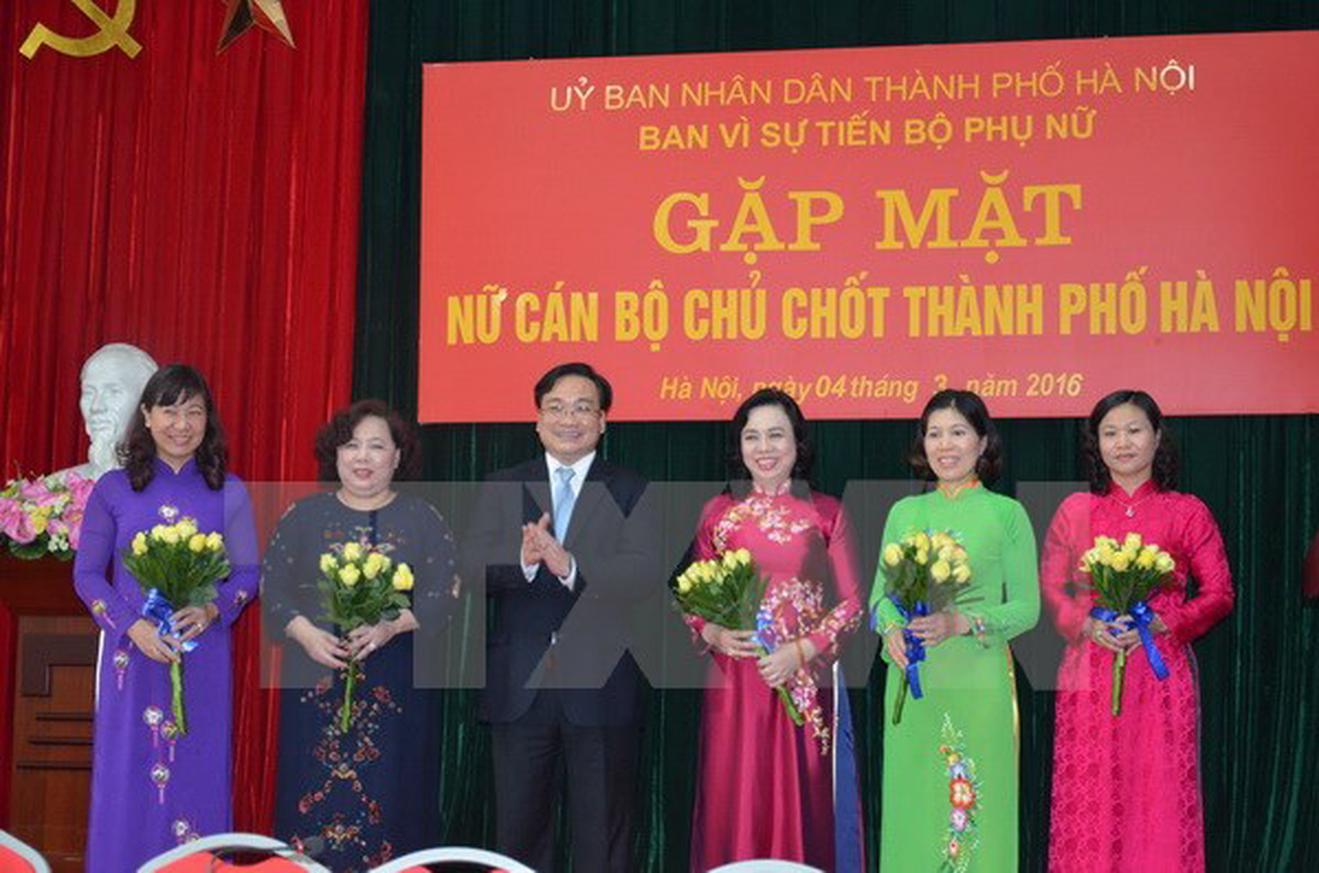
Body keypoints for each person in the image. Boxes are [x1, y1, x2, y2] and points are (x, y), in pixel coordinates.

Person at [462, 362, 658, 873]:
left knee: (603, 838)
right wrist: (524, 560)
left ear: (603, 421)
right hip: (520, 686)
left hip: (603, 689)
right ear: (537, 419)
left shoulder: (632, 488)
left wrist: (571, 567)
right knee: (518, 836)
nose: (569, 419)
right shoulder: (503, 484)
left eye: (582, 408)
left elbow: (644, 574)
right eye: (557, 407)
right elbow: (470, 568)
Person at [72, 364, 258, 869]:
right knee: (126, 772)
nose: (181, 424)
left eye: (193, 412)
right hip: (133, 653)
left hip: (203, 651)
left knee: (198, 768)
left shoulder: (230, 491)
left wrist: (214, 608)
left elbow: (248, 573)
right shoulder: (113, 489)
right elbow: (87, 575)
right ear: (147, 417)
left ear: (207, 420)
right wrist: (131, 625)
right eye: (169, 411)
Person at [1043, 390, 1234, 872]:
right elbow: (1050, 588)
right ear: (1096, 444)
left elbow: (1220, 593)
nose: (1122, 443)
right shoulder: (1075, 509)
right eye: (1110, 433)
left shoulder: (1186, 511)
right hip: (1089, 671)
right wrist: (1086, 623)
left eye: (1134, 430)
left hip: (1159, 672)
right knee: (1091, 797)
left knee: (1157, 797)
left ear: (1157, 437)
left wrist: (1166, 622)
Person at [265, 399, 458, 871]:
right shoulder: (303, 516)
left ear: (397, 456)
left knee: (393, 794)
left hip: (396, 682)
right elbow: (272, 587)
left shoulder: (422, 518)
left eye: (377, 446)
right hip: (315, 677)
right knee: (310, 796)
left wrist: (394, 625)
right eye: (352, 446)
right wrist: (305, 632)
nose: (363, 457)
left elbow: (448, 591)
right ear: (335, 454)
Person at [686, 388, 863, 871]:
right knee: (733, 799)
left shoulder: (827, 512)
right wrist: (712, 632)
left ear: (797, 444)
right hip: (734, 684)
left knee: (800, 803)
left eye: (776, 435)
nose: (764, 448)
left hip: (802, 682)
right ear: (739, 446)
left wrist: (800, 652)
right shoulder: (717, 513)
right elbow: (691, 596)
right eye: (753, 437)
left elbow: (853, 603)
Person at [869, 389, 1039, 872]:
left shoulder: (1006, 514)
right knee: (914, 804)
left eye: (958, 433)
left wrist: (964, 621)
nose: (945, 445)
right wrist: (891, 629)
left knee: (975, 804)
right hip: (913, 677)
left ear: (982, 443)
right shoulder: (904, 513)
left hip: (978, 679)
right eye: (935, 434)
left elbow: (1027, 609)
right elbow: (880, 598)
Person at [55, 342, 158, 481]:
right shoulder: (56, 486)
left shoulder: (172, 487)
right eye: (89, 392)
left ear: (147, 404)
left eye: (113, 392)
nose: (96, 407)